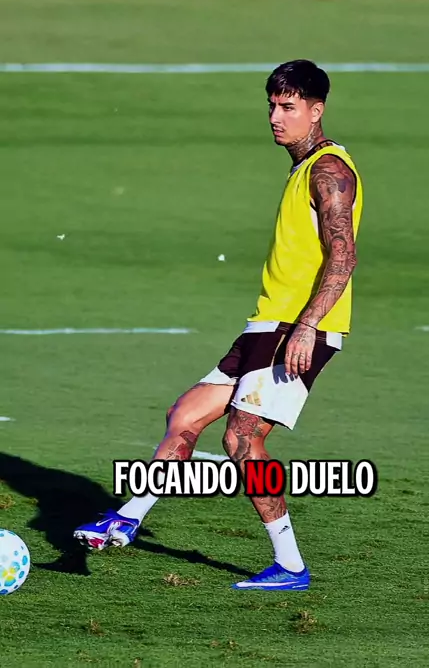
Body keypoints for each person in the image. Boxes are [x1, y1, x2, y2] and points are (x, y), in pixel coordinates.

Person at [74, 59, 363, 591]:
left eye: (289, 107)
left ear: (316, 110)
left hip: (295, 328)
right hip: (268, 324)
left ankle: (290, 566)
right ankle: (127, 519)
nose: (275, 117)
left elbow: (343, 255)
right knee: (184, 414)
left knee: (242, 440)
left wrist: (307, 326)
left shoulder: (329, 170)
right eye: (272, 105)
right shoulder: (303, 168)